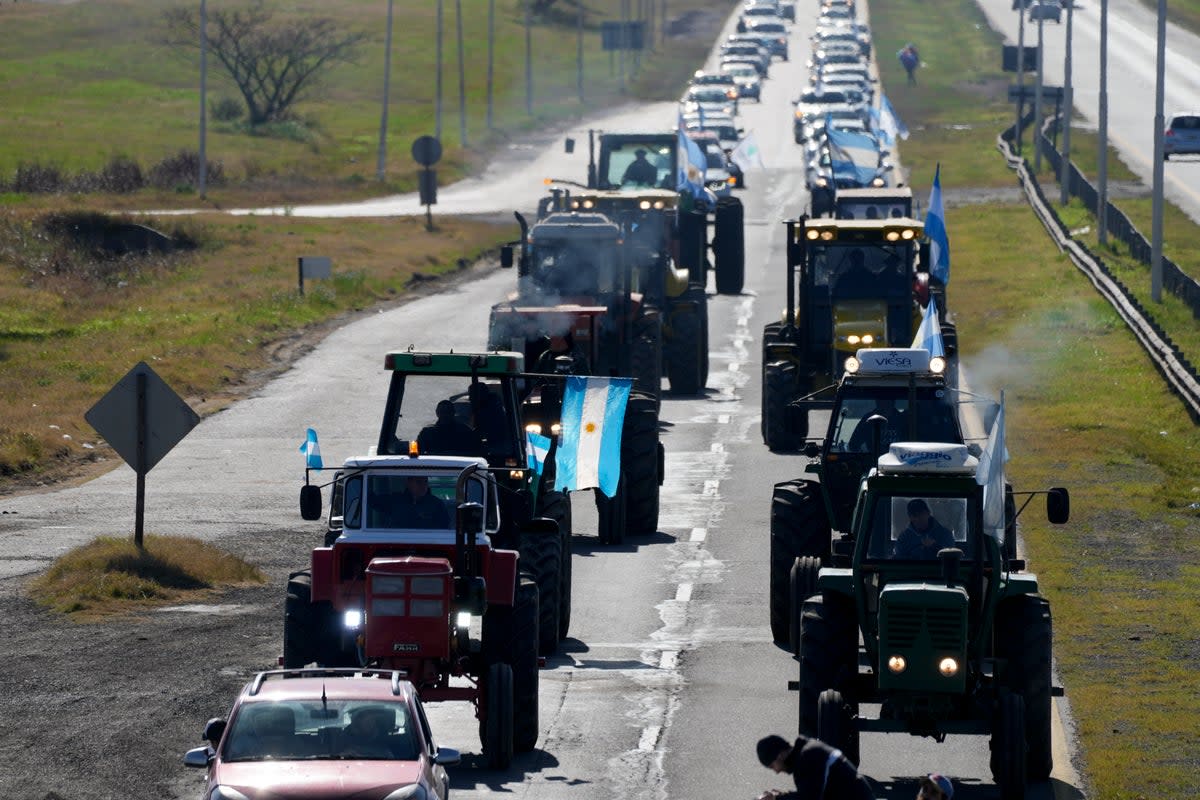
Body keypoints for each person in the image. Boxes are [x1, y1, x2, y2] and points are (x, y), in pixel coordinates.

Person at [755, 734, 876, 800]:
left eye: (772, 766)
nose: (776, 771)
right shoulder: (807, 752)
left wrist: (777, 798)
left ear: (780, 755)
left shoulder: (807, 757)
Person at [417, 399, 484, 457]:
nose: (445, 414)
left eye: (448, 412)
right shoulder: (427, 433)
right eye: (442, 412)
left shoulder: (466, 432)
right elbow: (418, 453)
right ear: (437, 413)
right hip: (433, 468)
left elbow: (477, 453)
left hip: (460, 469)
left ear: (453, 412)